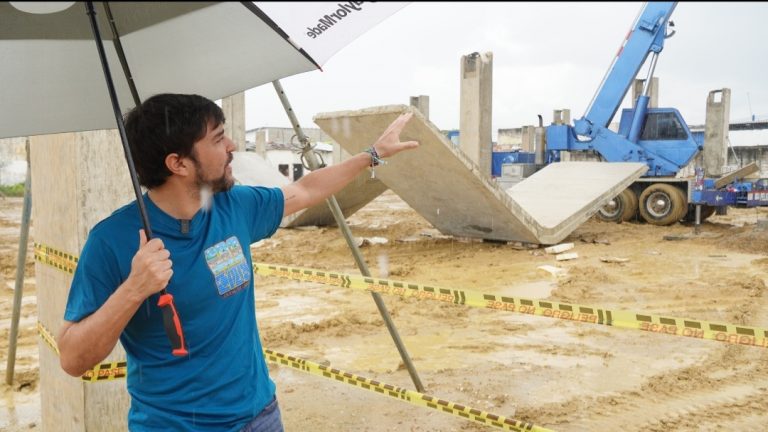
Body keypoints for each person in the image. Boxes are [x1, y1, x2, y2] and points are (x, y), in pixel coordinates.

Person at [56, 93, 418, 431]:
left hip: (258, 415)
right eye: (218, 138)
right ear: (177, 163)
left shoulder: (234, 206)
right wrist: (134, 289)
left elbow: (305, 190)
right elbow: (73, 358)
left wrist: (371, 154)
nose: (232, 147)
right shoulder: (112, 241)